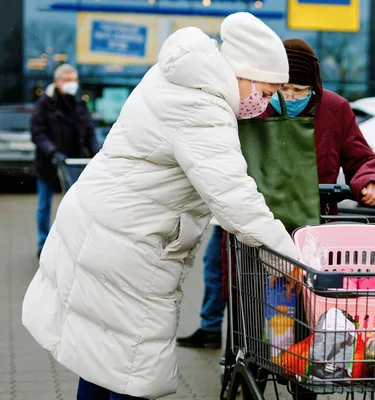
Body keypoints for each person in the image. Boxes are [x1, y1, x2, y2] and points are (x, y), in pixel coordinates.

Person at [22, 13, 299, 400]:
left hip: (108, 227)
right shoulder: (202, 106)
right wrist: (295, 259)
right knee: (127, 367)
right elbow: (235, 198)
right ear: (245, 74)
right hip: (125, 244)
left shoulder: (182, 78)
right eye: (266, 92)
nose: (264, 104)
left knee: (107, 360)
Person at [177, 38, 375, 351]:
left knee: (309, 308)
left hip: (313, 230)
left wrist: (369, 181)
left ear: (314, 85)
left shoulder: (335, 109)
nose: (289, 97)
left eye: (300, 91)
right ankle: (247, 362)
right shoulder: (253, 105)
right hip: (255, 229)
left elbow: (360, 156)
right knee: (250, 308)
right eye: (284, 88)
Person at [30, 64, 100, 258]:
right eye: (68, 80)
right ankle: (43, 244)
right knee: (44, 205)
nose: (73, 84)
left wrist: (96, 152)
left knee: (75, 206)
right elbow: (37, 132)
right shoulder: (44, 104)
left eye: (74, 80)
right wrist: (52, 152)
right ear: (58, 82)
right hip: (49, 164)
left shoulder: (79, 103)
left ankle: (71, 243)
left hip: (73, 164)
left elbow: (88, 131)